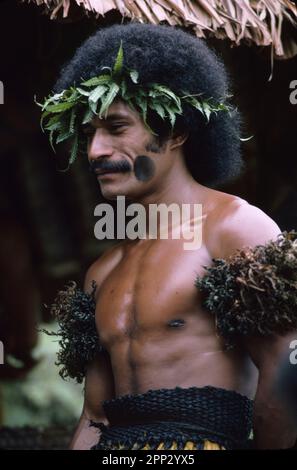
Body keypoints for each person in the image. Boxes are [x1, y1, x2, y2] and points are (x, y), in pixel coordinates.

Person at [42, 23, 297, 450]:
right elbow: (95, 416)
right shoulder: (102, 272)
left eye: (116, 128)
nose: (95, 151)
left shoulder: (234, 230)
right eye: (89, 134)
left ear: (176, 132)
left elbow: (285, 368)